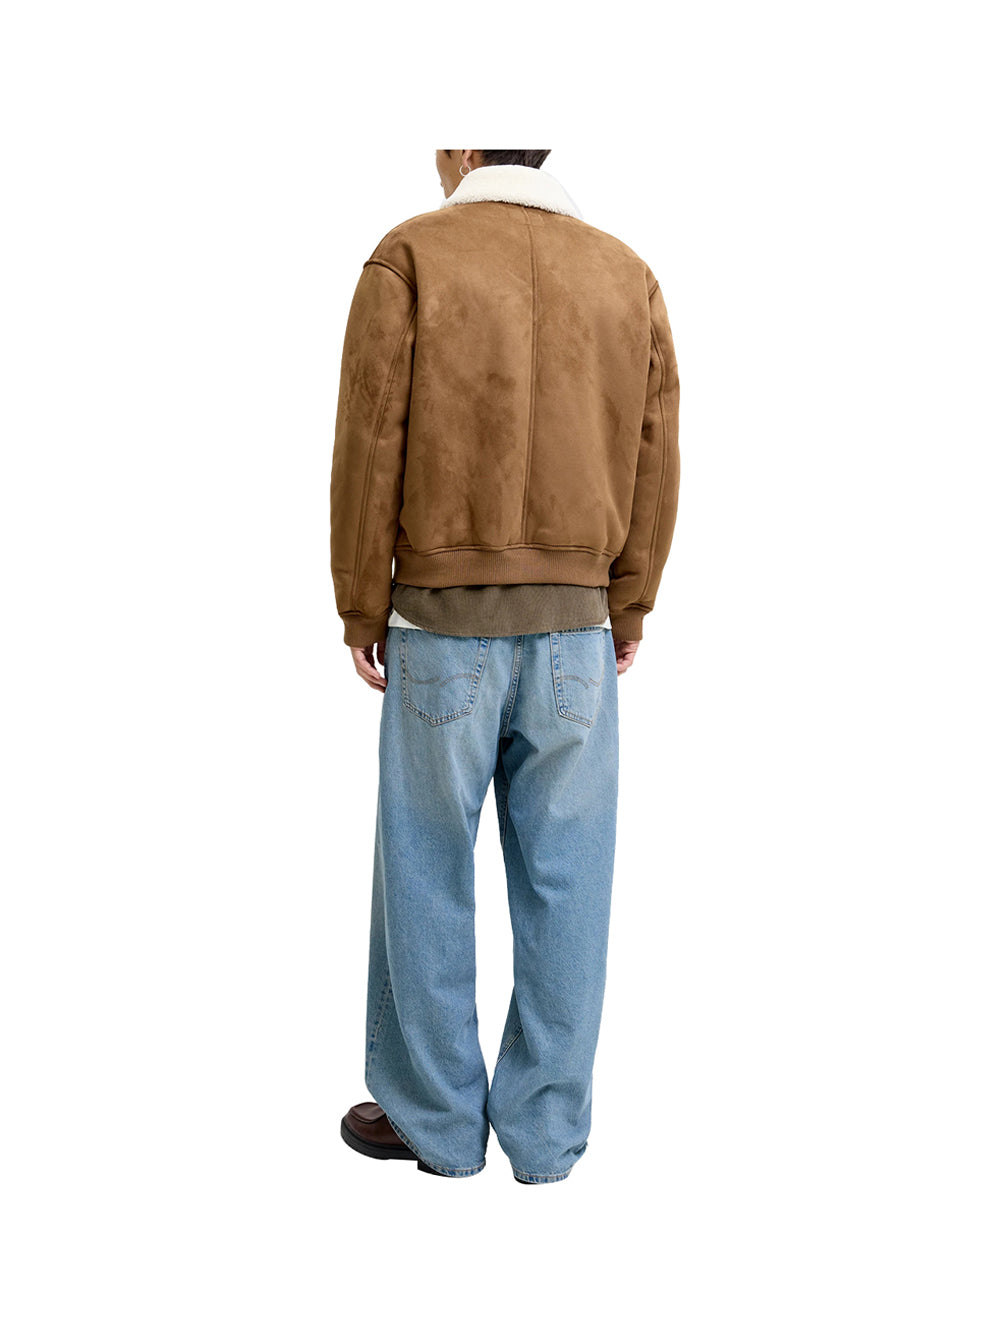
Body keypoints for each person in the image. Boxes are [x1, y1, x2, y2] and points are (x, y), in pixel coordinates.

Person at [330, 149, 680, 1183]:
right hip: (577, 631)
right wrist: (628, 600)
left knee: (425, 867)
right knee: (570, 883)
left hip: (441, 626)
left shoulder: (410, 257)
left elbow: (370, 440)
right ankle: (545, 1132)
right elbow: (657, 452)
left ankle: (437, 1123)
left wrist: (360, 599)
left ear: (459, 147)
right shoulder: (625, 273)